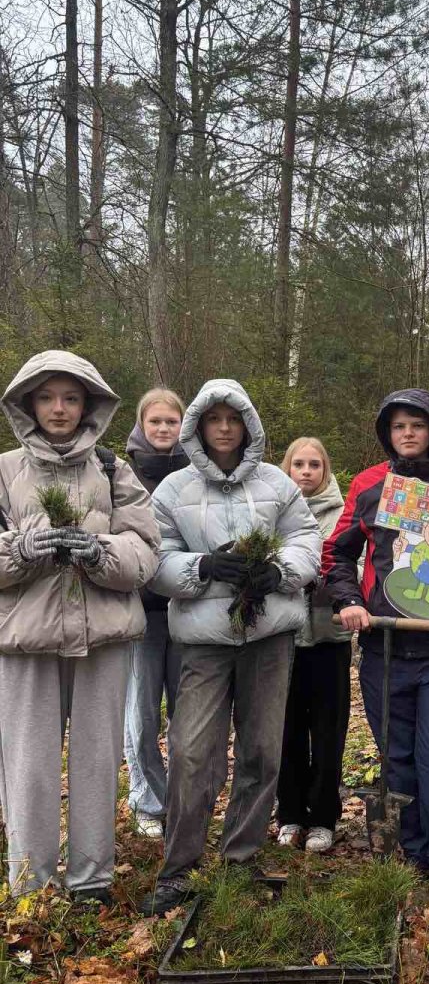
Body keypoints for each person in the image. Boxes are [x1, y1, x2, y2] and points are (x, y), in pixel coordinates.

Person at [140, 380, 321, 915]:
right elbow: (155, 555)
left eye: (233, 419)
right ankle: (179, 869)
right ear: (198, 425)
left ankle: (240, 859)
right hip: (202, 642)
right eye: (214, 419)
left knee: (262, 752)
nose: (223, 428)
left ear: (247, 425)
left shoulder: (277, 484)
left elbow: (306, 538)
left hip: (268, 639)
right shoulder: (173, 489)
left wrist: (280, 571)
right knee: (194, 754)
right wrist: (202, 567)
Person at [0, 350, 160, 904]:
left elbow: (146, 552)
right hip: (26, 643)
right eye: (47, 397)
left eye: (71, 397)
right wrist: (20, 551)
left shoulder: (115, 470)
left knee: (97, 764)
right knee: (27, 767)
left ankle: (92, 882)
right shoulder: (3, 470)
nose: (59, 408)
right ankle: (31, 885)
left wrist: (100, 553)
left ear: (89, 403)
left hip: (103, 640)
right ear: (28, 404)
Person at [323, 389, 429, 910]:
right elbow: (337, 551)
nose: (408, 434)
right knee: (396, 756)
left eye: (417, 425)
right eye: (398, 426)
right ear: (387, 434)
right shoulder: (370, 484)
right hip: (385, 644)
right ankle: (410, 851)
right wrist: (349, 599)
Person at [276, 437, 351, 853]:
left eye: (314, 465)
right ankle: (289, 814)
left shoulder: (342, 514)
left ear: (325, 470)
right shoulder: (273, 510)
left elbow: (351, 563)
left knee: (327, 732)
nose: (306, 472)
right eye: (298, 464)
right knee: (286, 731)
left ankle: (323, 816)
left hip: (329, 638)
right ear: (287, 469)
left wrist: (327, 580)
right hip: (283, 641)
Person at [123, 387, 189, 839]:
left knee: (187, 716)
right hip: (140, 614)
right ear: (142, 426)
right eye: (156, 422)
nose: (164, 429)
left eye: (172, 422)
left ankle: (185, 799)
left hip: (188, 610)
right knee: (142, 714)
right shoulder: (122, 475)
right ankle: (148, 799)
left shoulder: (196, 473)